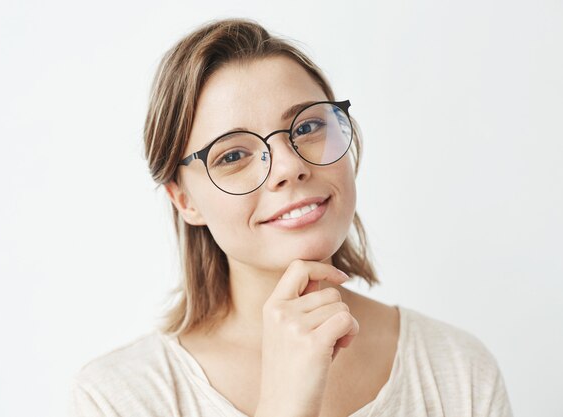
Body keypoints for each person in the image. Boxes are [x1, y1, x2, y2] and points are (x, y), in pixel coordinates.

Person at [69, 17, 514, 417]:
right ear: (185, 201)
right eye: (234, 155)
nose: (287, 166)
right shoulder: (118, 399)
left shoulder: (456, 369)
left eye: (306, 127)